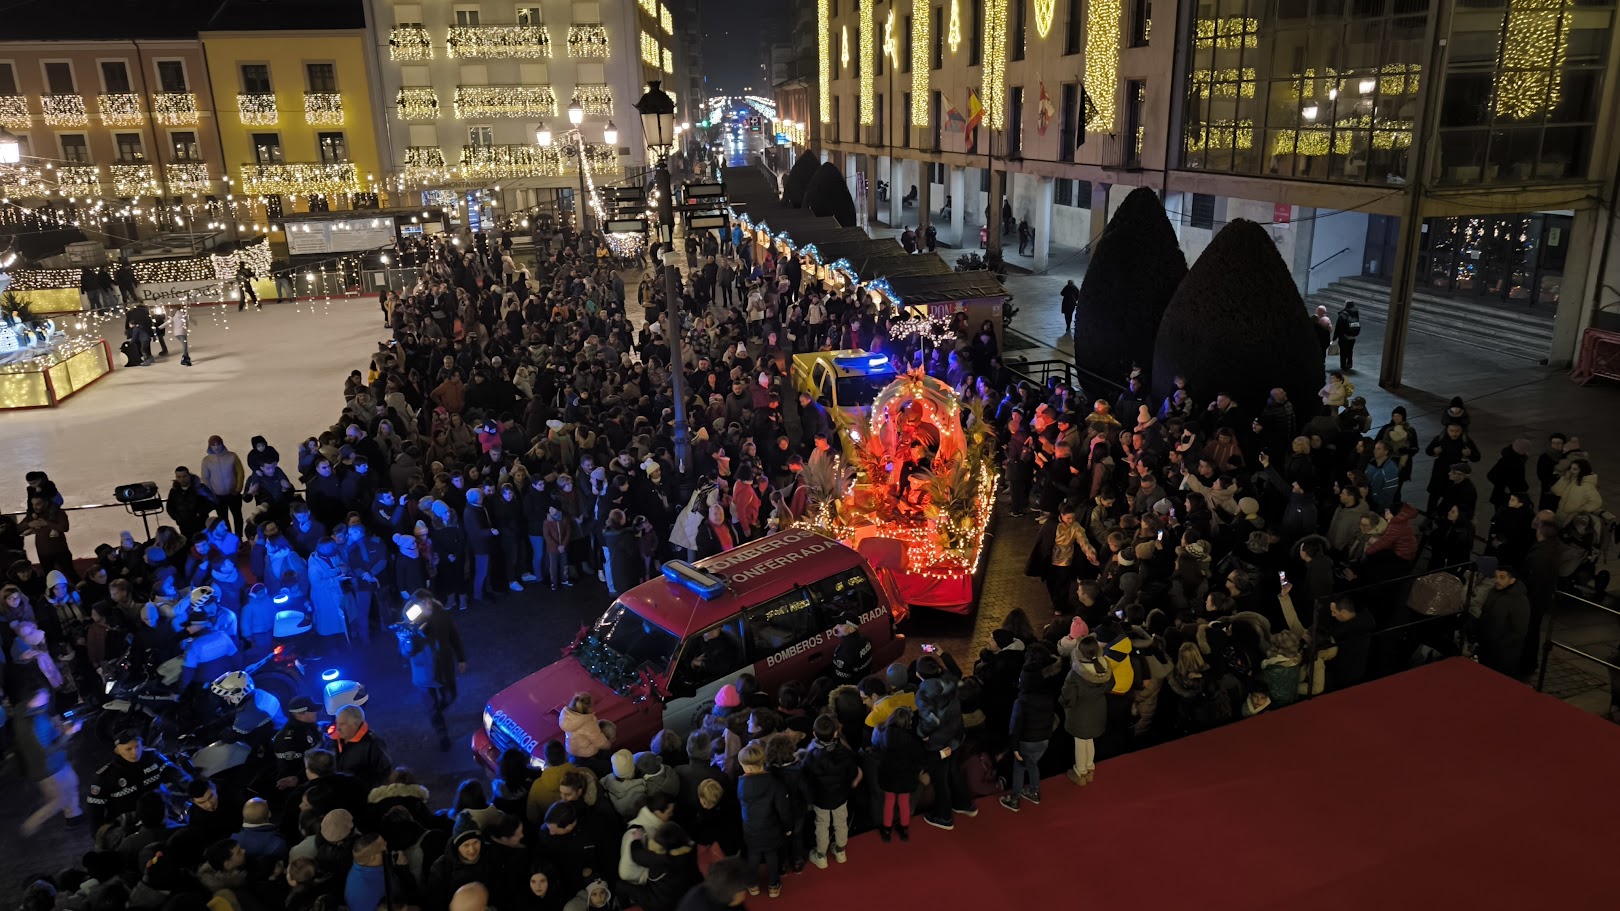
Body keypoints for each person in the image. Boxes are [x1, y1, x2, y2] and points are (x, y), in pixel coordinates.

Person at [400, 593, 468, 752]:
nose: (427, 607)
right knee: (432, 708)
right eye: (423, 604)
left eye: (428, 603)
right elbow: (405, 652)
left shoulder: (442, 614)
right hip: (423, 674)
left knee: (451, 696)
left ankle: (438, 712)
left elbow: (454, 636)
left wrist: (461, 658)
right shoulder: (410, 621)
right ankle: (442, 734)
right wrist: (408, 640)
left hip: (444, 669)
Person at [16, 687, 85, 835]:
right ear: (32, 699)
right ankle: (30, 824)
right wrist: (69, 733)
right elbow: (47, 750)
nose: (47, 696)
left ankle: (74, 817)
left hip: (57, 762)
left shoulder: (31, 713)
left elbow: (48, 735)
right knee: (58, 800)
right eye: (43, 695)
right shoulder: (33, 723)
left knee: (73, 783)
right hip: (48, 769)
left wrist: (60, 729)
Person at [87, 729, 186, 829]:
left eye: (137, 746)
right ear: (117, 751)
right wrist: (101, 839)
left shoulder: (152, 757)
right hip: (128, 828)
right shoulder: (106, 776)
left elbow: (173, 772)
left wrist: (188, 784)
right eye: (128, 749)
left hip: (162, 818)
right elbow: (95, 812)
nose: (135, 753)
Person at [801, 714, 861, 868]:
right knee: (841, 822)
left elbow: (805, 778)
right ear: (836, 733)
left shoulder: (811, 756)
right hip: (841, 796)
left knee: (822, 825)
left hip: (820, 798)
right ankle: (840, 850)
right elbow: (853, 773)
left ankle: (821, 855)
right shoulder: (845, 753)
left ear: (814, 734)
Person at [735, 742, 791, 898]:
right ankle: (773, 886)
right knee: (772, 856)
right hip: (771, 828)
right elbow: (783, 809)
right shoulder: (774, 783)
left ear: (746, 767)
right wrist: (787, 827)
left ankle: (752, 885)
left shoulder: (741, 784)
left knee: (753, 856)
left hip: (751, 828)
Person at [1058, 636, 1112, 786]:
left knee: (1081, 743)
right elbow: (1110, 685)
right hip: (1098, 711)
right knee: (1090, 740)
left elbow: (1068, 697)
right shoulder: (1105, 667)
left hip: (1080, 714)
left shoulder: (1076, 674)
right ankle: (1090, 768)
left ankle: (1081, 773)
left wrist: (1062, 703)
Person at [1477, 566, 1531, 676]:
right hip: (1487, 647)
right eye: (1496, 577)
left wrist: (1498, 644)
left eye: (1502, 577)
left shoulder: (1519, 600)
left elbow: (1519, 631)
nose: (1497, 580)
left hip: (1504, 653)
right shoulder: (1493, 592)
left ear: (1512, 580)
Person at [324, 704, 394, 788]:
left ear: (356, 724)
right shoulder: (332, 742)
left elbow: (385, 774)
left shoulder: (373, 744)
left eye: (342, 724)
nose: (338, 728)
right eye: (337, 723)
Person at [1332, 300, 1361, 370]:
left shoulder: (1343, 314)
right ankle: (1349, 363)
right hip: (1353, 336)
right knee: (1350, 350)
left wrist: (1334, 337)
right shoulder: (1355, 313)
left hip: (1344, 336)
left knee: (1343, 351)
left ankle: (1343, 365)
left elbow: (1338, 327)